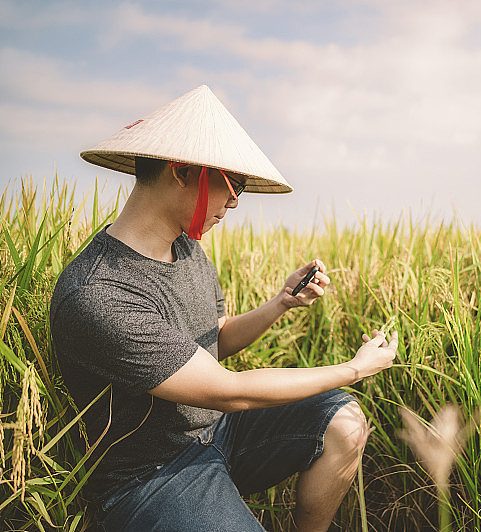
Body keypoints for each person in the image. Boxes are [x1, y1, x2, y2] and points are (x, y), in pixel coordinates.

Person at [49, 85, 399, 531]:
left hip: (218, 432)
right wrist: (355, 369)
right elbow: (229, 390)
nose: (236, 201)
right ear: (182, 172)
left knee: (345, 422)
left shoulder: (186, 247)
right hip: (151, 475)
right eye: (233, 183)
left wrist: (280, 303)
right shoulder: (99, 293)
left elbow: (212, 338)